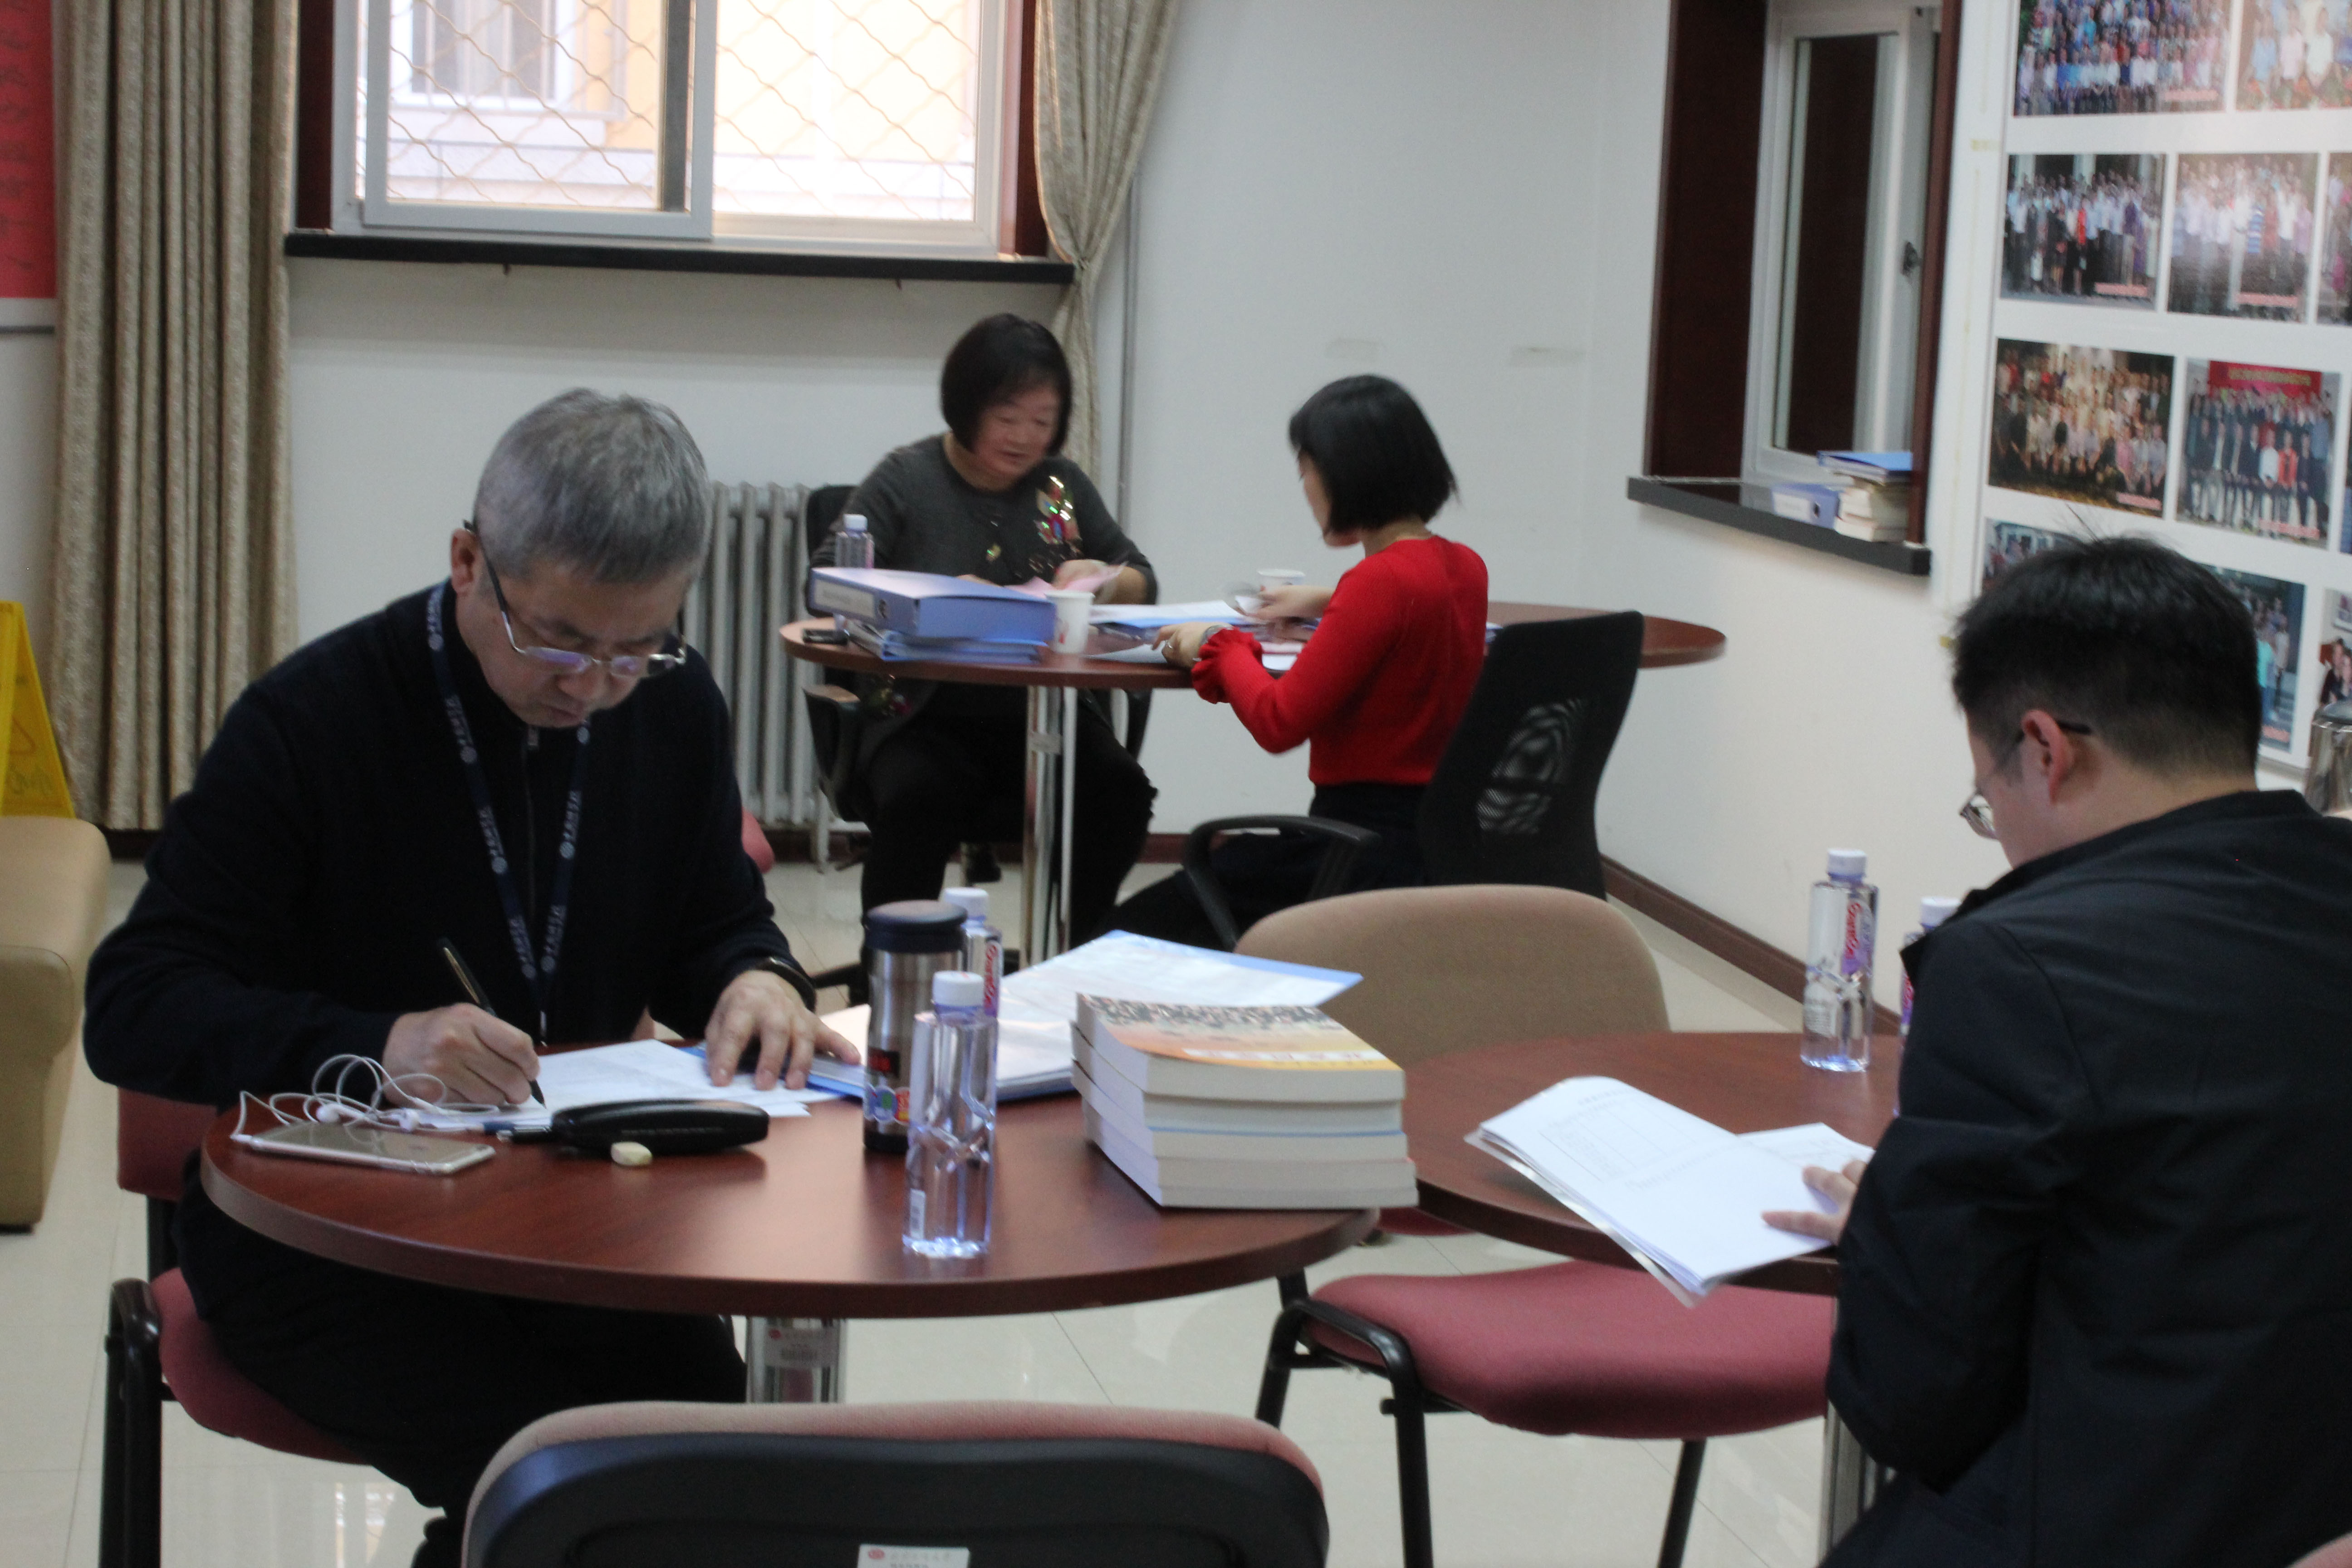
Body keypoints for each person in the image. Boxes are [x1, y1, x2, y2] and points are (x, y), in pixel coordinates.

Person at [83, 390, 858, 1568]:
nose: (593, 685)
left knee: (726, 1481)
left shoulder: (673, 707)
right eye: (560, 640)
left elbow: (714, 918)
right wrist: (378, 1044)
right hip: (328, 1234)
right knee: (577, 1494)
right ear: (467, 563)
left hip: (581, 1221)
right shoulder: (314, 720)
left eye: (636, 647)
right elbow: (133, 1003)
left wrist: (759, 976)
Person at [1763, 536, 2352, 1567]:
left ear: (2043, 748)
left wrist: (1890, 1235)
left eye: (1983, 799)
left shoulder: (2016, 967)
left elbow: (1911, 1402)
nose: (1994, 829)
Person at [1107, 376, 1486, 946]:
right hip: (1436, 852)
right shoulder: (1466, 568)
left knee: (1129, 934)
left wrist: (1215, 644)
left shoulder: (1378, 583)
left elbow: (1278, 721)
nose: (1305, 486)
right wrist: (1330, 599)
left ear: (1347, 474)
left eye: (1306, 469)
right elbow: (1413, 602)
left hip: (1355, 856)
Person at [813, 314, 1156, 941]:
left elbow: (1142, 577)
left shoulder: (1060, 487)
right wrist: (935, 595)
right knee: (920, 797)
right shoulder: (907, 478)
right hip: (922, 713)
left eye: (1043, 421)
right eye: (1008, 417)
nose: (1025, 438)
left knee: (1119, 792)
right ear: (966, 407)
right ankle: (893, 964)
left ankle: (1075, 953)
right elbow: (825, 584)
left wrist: (1103, 580)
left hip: (1045, 716)